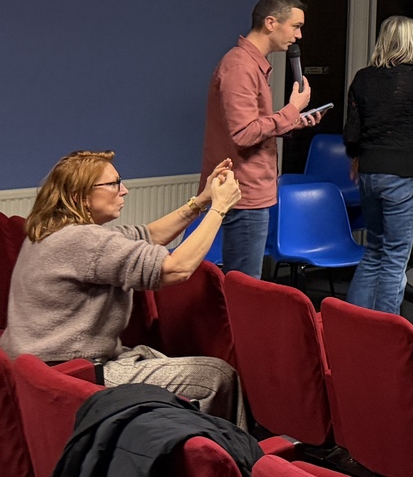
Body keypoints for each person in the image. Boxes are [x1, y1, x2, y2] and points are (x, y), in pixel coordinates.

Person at [3, 150, 245, 422]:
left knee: (153, 355)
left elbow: (151, 235)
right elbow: (177, 268)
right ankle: (222, 447)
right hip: (71, 373)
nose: (124, 190)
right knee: (216, 376)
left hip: (39, 367)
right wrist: (219, 209)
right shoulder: (84, 242)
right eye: (114, 184)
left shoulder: (56, 230)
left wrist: (201, 201)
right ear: (80, 197)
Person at [202, 0, 323, 278]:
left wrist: (291, 121)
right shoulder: (240, 67)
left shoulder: (251, 64)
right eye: (295, 26)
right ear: (270, 23)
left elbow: (252, 125)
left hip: (252, 189)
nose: (299, 35)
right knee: (245, 285)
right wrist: (291, 110)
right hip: (244, 191)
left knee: (246, 283)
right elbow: (244, 134)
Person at [343, 16, 413, 314]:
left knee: (374, 250)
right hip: (403, 176)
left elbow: (352, 132)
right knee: (396, 258)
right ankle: (386, 329)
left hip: (369, 173)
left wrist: (357, 158)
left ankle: (352, 323)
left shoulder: (363, 78)